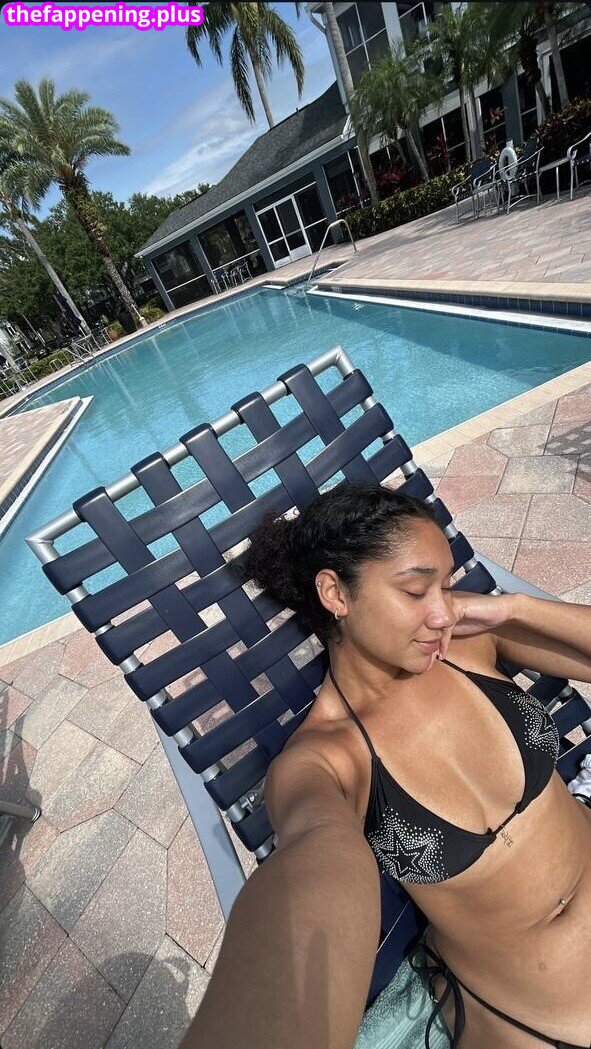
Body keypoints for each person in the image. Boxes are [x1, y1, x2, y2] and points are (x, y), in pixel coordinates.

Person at [181, 483, 591, 1049]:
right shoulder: (323, 761)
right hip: (541, 1022)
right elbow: (315, 872)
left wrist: (512, 607)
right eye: (416, 590)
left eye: (446, 586)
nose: (443, 612)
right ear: (336, 593)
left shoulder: (470, 648)